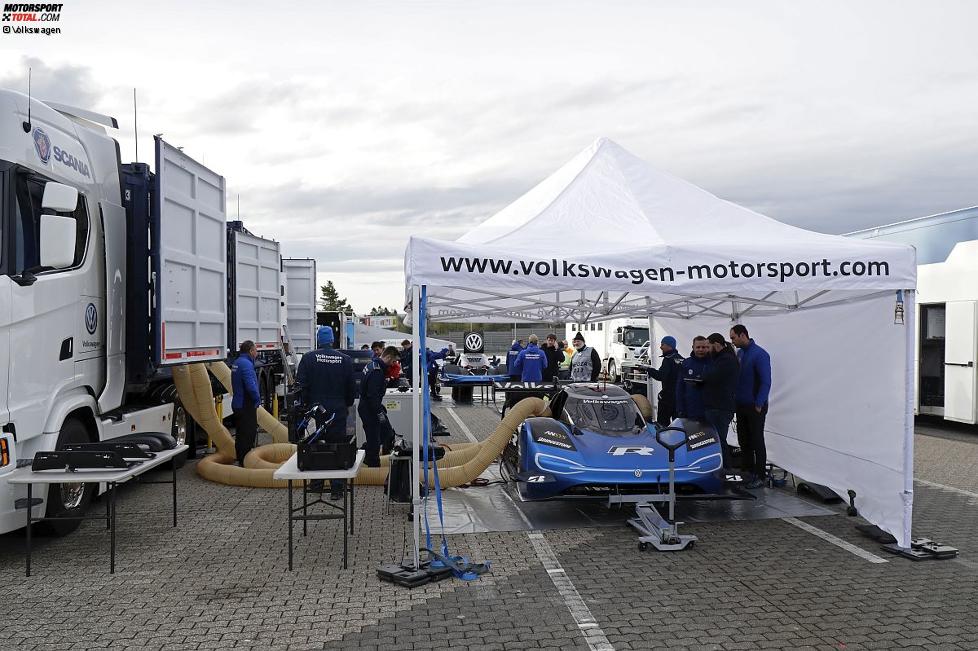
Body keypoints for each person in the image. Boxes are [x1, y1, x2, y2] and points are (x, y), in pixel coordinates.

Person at [296, 326, 356, 498]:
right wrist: (346, 404)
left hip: (316, 411)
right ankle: (337, 489)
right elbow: (351, 388)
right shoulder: (345, 359)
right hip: (338, 410)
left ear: (318, 340)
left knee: (315, 445)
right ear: (332, 339)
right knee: (337, 447)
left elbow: (301, 386)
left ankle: (316, 484)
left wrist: (307, 407)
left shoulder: (308, 359)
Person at [730, 324, 772, 489]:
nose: (732, 341)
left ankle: (760, 476)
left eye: (733, 337)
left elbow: (765, 381)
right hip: (741, 404)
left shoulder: (760, 354)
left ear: (742, 335)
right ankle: (747, 472)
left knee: (757, 440)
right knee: (744, 440)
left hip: (755, 406)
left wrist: (759, 403)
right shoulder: (740, 353)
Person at [701, 333, 739, 469]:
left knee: (718, 440)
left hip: (720, 406)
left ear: (716, 344)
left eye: (708, 346)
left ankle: (725, 469)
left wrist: (704, 373)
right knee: (717, 439)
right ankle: (722, 468)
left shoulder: (725, 360)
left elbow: (711, 376)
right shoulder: (721, 358)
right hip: (717, 405)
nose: (706, 350)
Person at [359, 346, 401, 467]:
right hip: (370, 409)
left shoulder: (372, 365)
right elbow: (373, 396)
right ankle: (373, 464)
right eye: (393, 361)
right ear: (387, 357)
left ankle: (365, 454)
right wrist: (380, 414)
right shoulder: (377, 372)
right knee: (374, 440)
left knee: (384, 434)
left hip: (370, 407)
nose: (394, 364)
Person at [230, 340, 261, 467]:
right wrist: (257, 399)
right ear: (250, 351)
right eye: (256, 350)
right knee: (248, 434)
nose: (257, 353)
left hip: (237, 403)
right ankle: (246, 462)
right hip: (245, 405)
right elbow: (251, 386)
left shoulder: (237, 362)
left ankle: (240, 459)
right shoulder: (246, 365)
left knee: (241, 434)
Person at [647, 336, 684, 426]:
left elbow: (661, 376)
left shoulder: (668, 359)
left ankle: (665, 439)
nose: (661, 347)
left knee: (662, 426)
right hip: (680, 399)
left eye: (662, 344)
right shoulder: (682, 359)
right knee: (678, 426)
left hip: (668, 398)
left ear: (669, 345)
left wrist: (649, 370)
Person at [675, 336, 711, 423]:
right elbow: (680, 388)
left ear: (708, 347)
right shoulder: (687, 363)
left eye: (703, 347)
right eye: (698, 347)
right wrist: (680, 408)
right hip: (690, 410)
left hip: (709, 412)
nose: (701, 350)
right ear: (693, 347)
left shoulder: (713, 363)